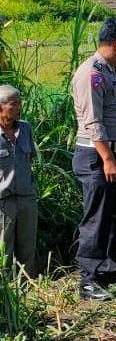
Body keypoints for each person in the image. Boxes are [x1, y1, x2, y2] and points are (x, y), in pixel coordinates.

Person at [72, 17, 116, 300]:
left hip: (114, 153)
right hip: (97, 156)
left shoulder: (111, 71)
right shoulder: (92, 73)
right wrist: (109, 159)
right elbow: (93, 121)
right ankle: (88, 279)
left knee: (115, 213)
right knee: (97, 216)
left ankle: (108, 266)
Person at [0, 85, 37, 278]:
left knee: (27, 248)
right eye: (14, 104)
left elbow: (30, 159)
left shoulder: (25, 128)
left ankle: (28, 291)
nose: (19, 107)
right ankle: (6, 295)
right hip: (3, 203)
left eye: (20, 103)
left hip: (27, 198)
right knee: (3, 251)